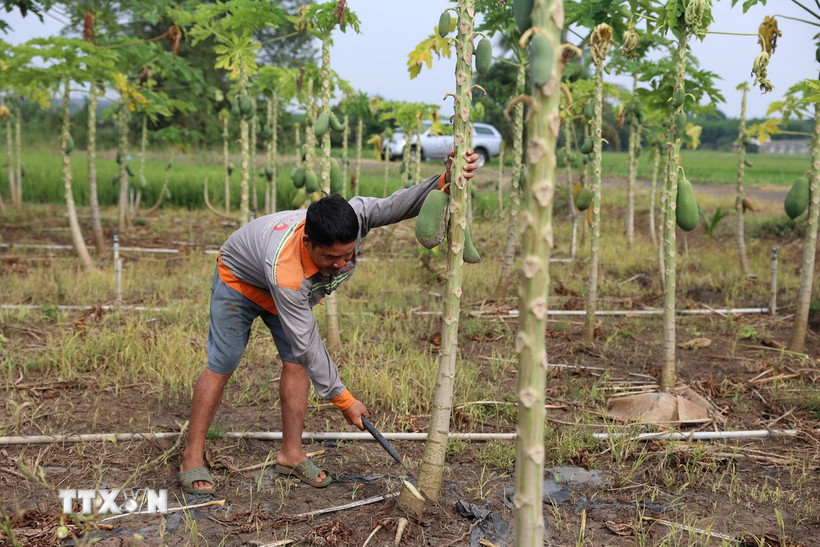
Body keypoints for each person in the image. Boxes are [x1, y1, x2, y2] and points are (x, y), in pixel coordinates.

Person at [179, 149, 480, 494]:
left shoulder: (357, 215)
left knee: (295, 364)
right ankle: (192, 455)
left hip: (280, 282)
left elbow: (401, 203)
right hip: (240, 279)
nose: (341, 264)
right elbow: (308, 344)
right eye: (331, 257)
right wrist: (344, 400)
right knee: (225, 360)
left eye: (348, 254)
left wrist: (445, 180)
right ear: (308, 242)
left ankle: (290, 454)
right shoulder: (288, 275)